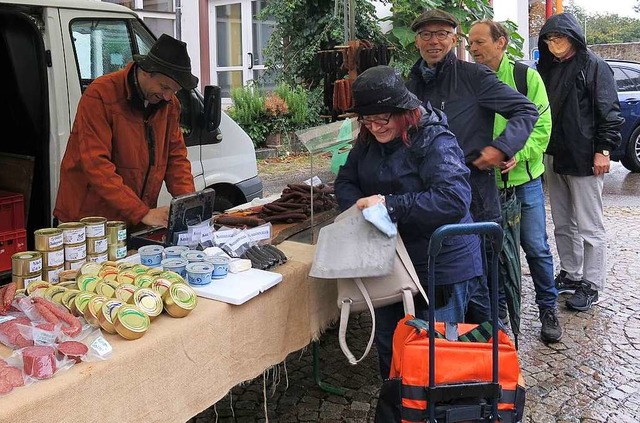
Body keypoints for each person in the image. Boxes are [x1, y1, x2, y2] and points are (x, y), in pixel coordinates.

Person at [334, 65, 486, 379]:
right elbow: (346, 180)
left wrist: (389, 206)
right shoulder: (368, 140)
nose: (374, 128)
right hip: (393, 261)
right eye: (367, 120)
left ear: (403, 112)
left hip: (441, 264)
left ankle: (431, 409)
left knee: (433, 351)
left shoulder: (435, 139)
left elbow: (454, 199)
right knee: (392, 343)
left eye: (382, 120)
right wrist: (360, 207)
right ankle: (399, 403)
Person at [406, 8, 539, 324]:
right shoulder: (409, 85)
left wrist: (501, 147)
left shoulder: (475, 77)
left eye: (441, 34)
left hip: (475, 198)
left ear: (454, 38)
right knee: (441, 287)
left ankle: (496, 352)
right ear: (417, 42)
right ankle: (448, 353)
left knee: (488, 287)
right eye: (426, 35)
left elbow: (526, 111)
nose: (433, 41)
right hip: (429, 202)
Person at [468, 19, 561, 343]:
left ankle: (548, 308)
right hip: (487, 185)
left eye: (480, 42)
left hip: (525, 181)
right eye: (470, 43)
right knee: (494, 253)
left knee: (536, 248)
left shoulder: (525, 77)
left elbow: (542, 126)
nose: (473, 48)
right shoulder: (470, 80)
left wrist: (516, 154)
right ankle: (501, 315)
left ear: (501, 42)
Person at [54, 34, 198, 229]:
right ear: (146, 72)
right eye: (164, 87)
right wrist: (142, 212)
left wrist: (187, 203)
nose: (167, 96)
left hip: (134, 218)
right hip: (90, 220)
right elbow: (96, 164)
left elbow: (176, 158)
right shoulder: (101, 94)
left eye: (174, 90)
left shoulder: (170, 105)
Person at [537, 13, 624, 312]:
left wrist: (604, 150)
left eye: (558, 38)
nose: (553, 44)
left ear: (573, 37)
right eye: (548, 39)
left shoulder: (594, 66)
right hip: (554, 155)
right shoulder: (547, 68)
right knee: (562, 222)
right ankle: (572, 273)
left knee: (590, 225)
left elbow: (609, 111)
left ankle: (592, 283)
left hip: (585, 157)